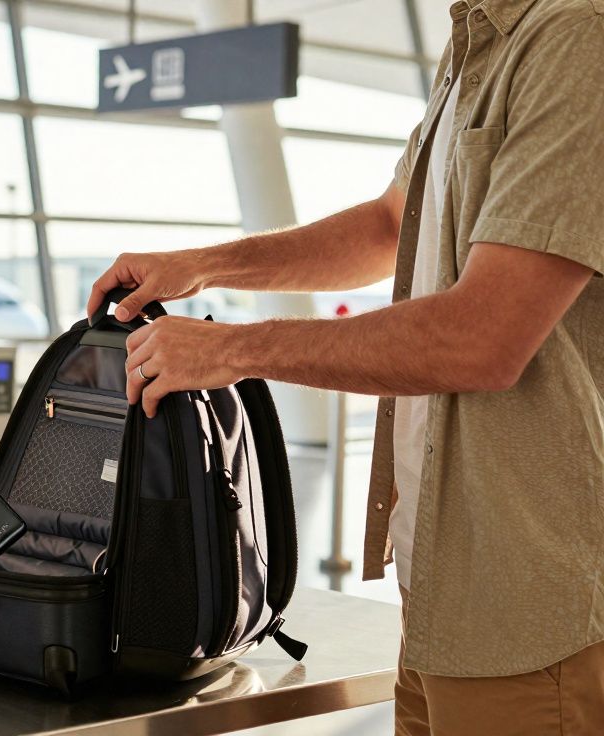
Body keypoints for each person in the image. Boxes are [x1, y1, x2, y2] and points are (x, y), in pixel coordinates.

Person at [87, 0, 604, 731]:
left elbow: (483, 338)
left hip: (527, 613)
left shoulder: (577, 38)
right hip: (439, 596)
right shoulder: (474, 44)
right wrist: (203, 266)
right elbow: (391, 224)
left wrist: (231, 350)